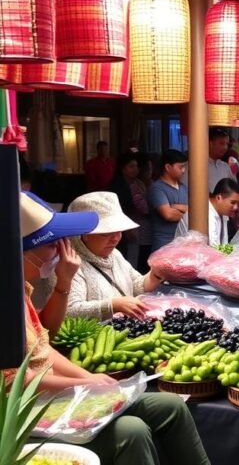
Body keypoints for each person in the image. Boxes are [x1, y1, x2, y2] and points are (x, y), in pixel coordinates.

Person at [14, 193, 211, 465]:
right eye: (51, 245)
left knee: (171, 404)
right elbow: (16, 380)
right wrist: (84, 382)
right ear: (21, 253)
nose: (60, 251)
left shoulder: (22, 290)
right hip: (26, 410)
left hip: (56, 390)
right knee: (132, 431)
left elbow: (42, 346)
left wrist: (90, 380)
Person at [66, 191, 165, 320]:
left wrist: (156, 273)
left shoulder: (115, 254)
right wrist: (113, 305)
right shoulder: (68, 264)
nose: (116, 238)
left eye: (119, 231)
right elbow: (69, 311)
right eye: (107, 233)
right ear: (84, 234)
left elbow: (136, 285)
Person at [21, 191, 95, 334]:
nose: (63, 252)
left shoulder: (21, 287)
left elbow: (43, 330)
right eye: (53, 244)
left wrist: (64, 281)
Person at [108, 151, 148, 267]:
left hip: (135, 225)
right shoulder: (117, 186)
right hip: (121, 227)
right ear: (123, 169)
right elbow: (117, 209)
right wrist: (127, 229)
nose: (135, 169)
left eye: (136, 166)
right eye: (131, 166)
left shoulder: (138, 183)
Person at [176, 178, 239, 246]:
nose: (236, 207)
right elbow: (212, 248)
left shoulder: (222, 212)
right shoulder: (205, 213)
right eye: (233, 202)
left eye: (238, 203)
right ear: (218, 198)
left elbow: (222, 244)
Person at [147, 149, 188, 253]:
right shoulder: (157, 188)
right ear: (168, 167)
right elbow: (168, 214)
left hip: (182, 243)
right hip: (163, 244)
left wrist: (178, 207)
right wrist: (189, 212)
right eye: (180, 167)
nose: (183, 170)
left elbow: (195, 210)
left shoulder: (184, 188)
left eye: (184, 167)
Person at [182, 128, 233, 193]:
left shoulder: (225, 167)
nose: (225, 147)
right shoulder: (191, 166)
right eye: (221, 143)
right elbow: (184, 192)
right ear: (210, 143)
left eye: (227, 144)